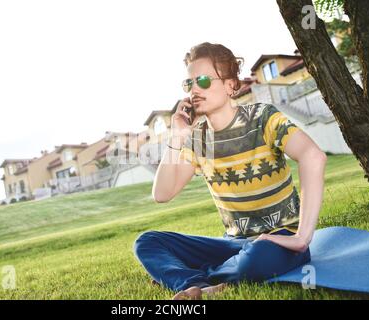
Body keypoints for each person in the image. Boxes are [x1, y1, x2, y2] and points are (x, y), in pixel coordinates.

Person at [133, 42, 327, 300]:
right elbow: (162, 194)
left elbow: (313, 156)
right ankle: (203, 285)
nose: (194, 90)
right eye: (188, 84)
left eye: (202, 80)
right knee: (148, 242)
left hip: (278, 240)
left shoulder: (263, 117)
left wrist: (302, 237)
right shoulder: (197, 139)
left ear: (231, 85)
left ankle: (197, 278)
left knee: (256, 260)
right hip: (233, 245)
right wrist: (177, 137)